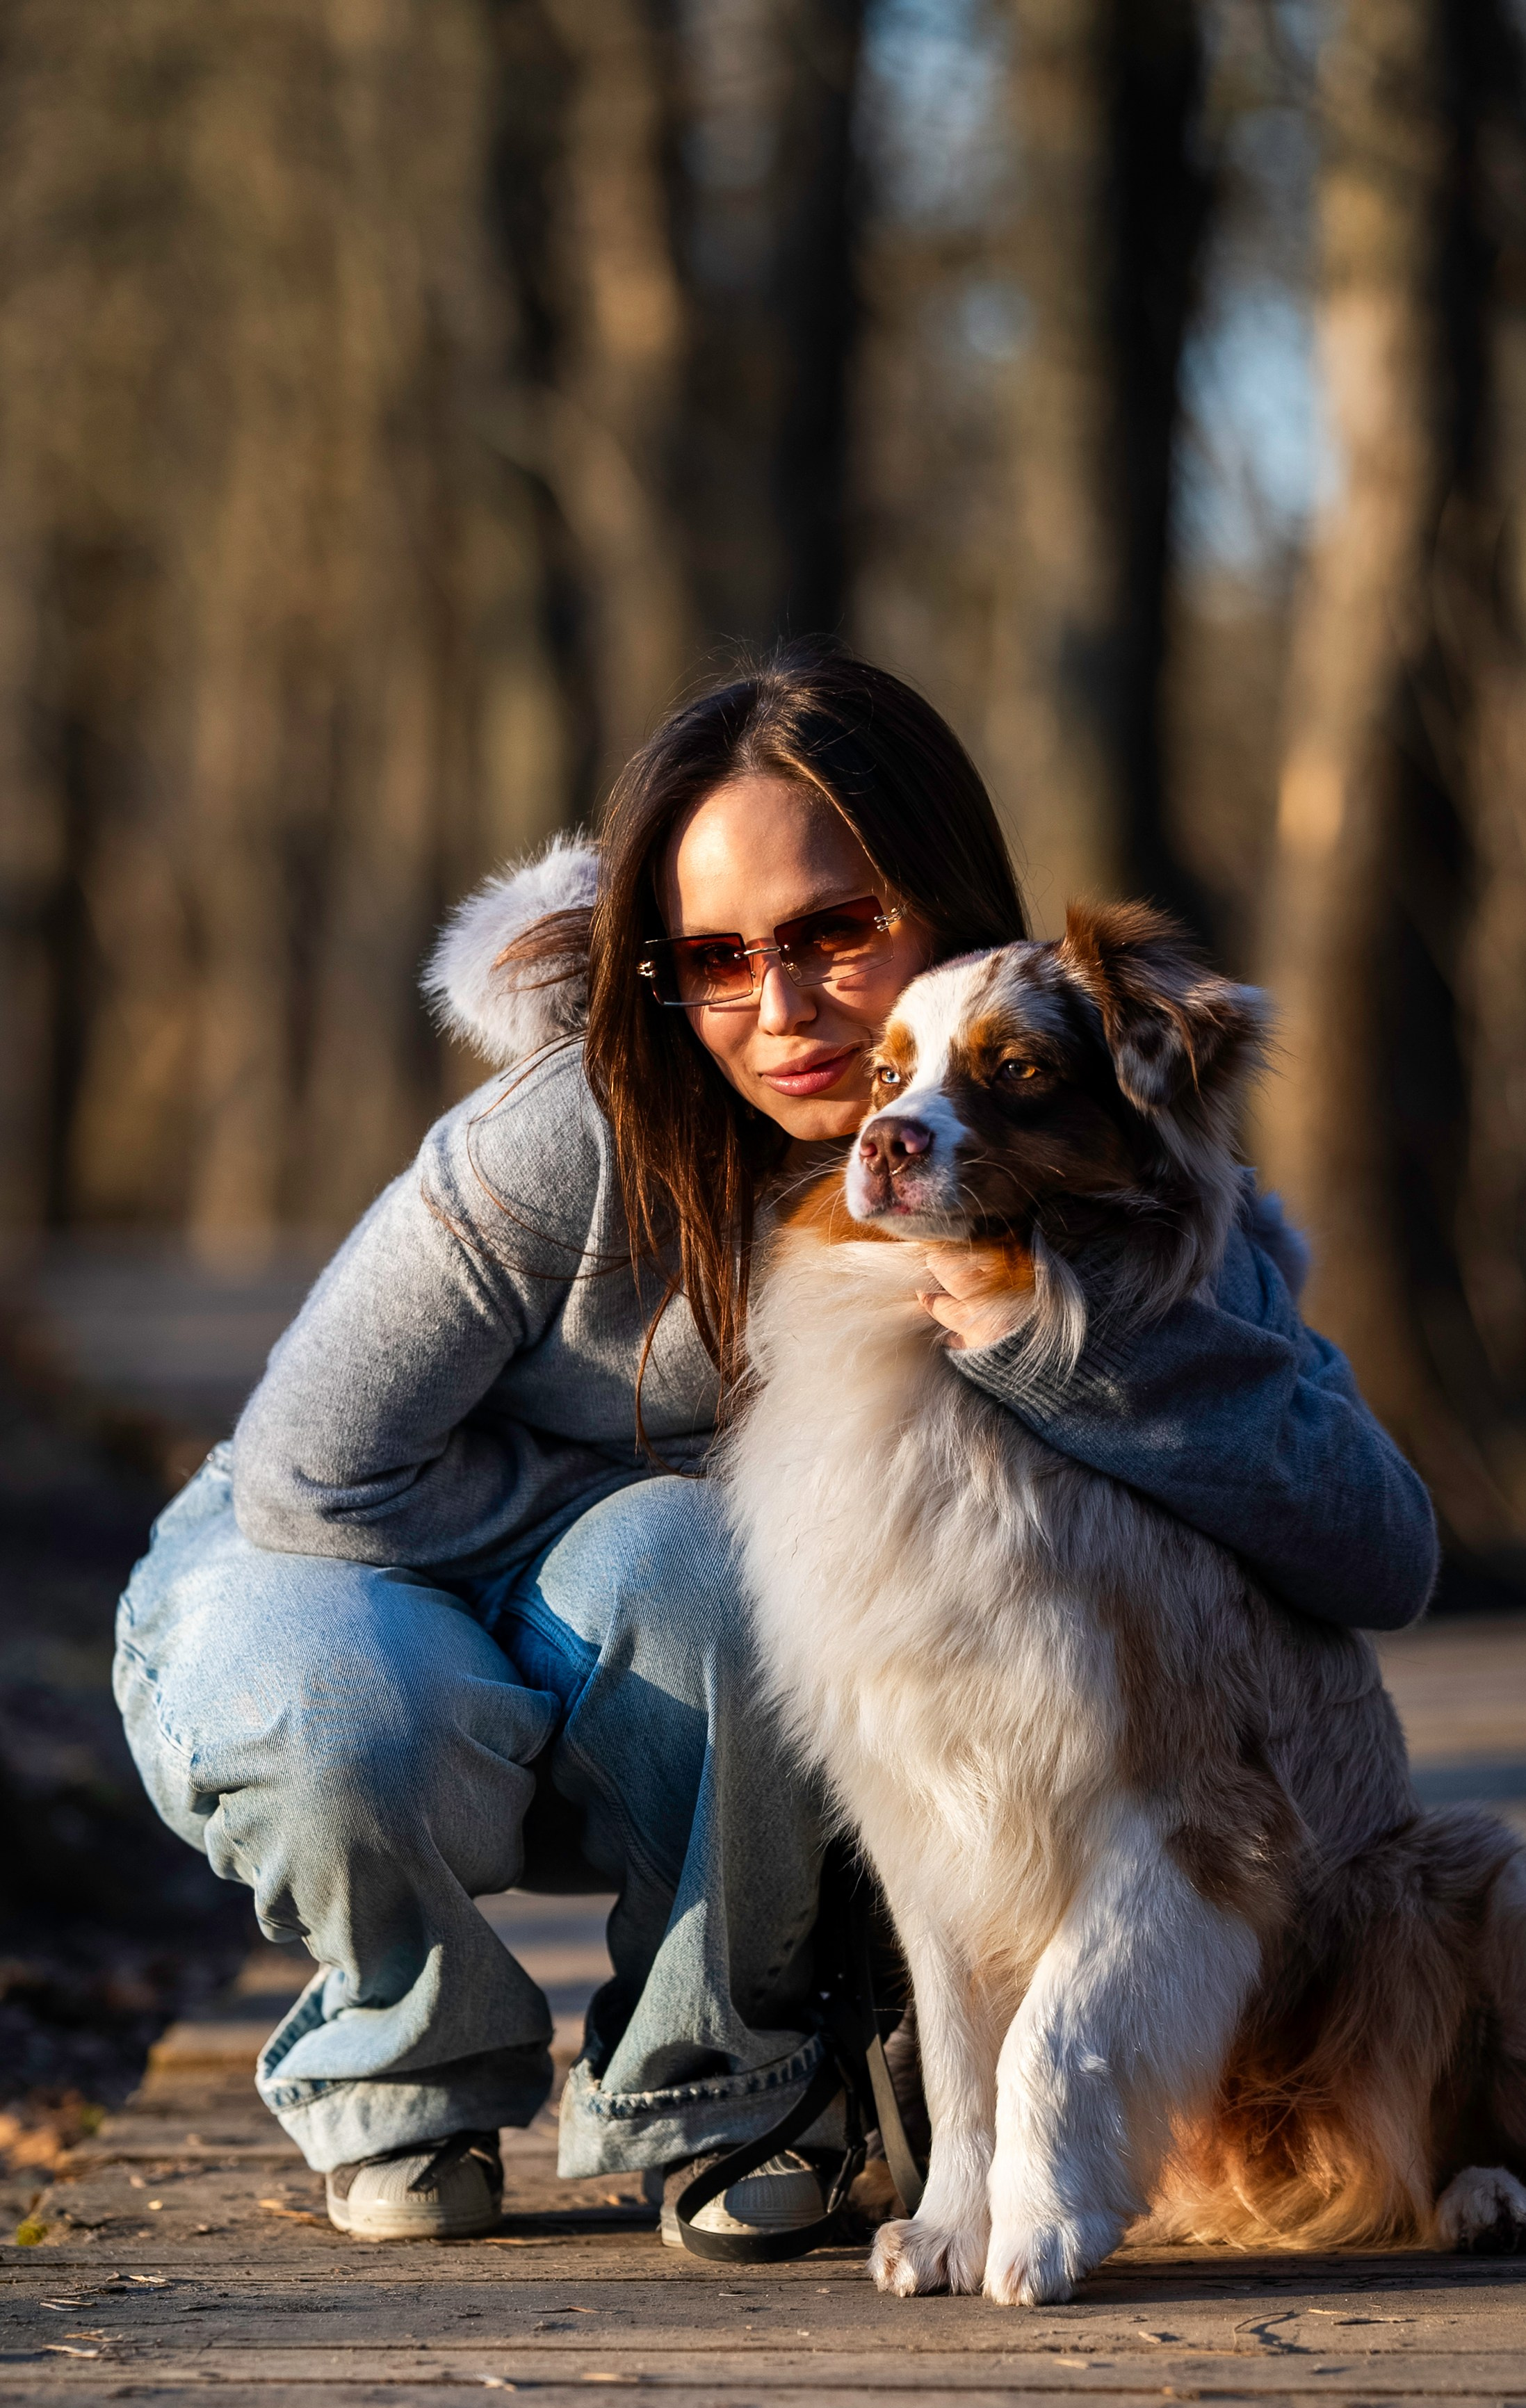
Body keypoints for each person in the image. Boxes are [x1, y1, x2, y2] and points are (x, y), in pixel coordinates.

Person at [113, 646, 1438, 2245]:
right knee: (396, 1687)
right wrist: (670, 1524)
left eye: (834, 931)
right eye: (717, 957)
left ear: (942, 903)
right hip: (316, 1557)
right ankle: (403, 2076)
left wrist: (1039, 1349)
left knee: (702, 1571)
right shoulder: (565, 1134)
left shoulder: (1098, 1163)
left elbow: (1382, 1542)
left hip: (631, 1595)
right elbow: (306, 1470)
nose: (783, 1006)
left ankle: (709, 2086)